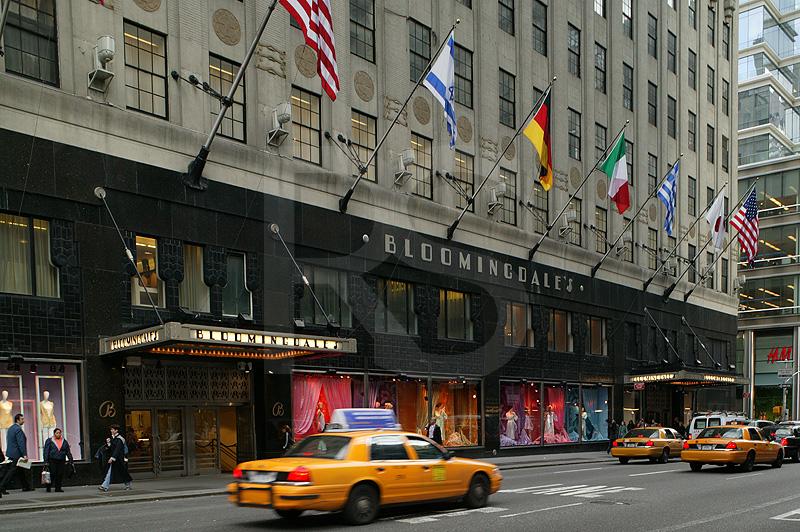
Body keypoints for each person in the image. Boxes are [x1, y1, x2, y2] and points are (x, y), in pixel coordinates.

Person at [0, 414, 32, 493]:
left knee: (21, 470)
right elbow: (21, 443)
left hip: (11, 453)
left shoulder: (11, 428)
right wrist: (24, 454)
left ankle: (26, 486)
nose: (24, 420)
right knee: (11, 471)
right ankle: (2, 486)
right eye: (22, 419)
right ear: (18, 420)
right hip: (17, 454)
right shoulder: (18, 429)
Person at [99, 425, 132, 492]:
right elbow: (112, 448)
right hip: (116, 458)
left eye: (112, 429)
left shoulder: (120, 439)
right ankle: (104, 486)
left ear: (116, 430)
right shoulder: (114, 438)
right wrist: (109, 443)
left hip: (119, 459)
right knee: (111, 472)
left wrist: (112, 458)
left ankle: (127, 484)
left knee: (122, 472)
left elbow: (117, 449)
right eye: (111, 429)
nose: (111, 430)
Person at [43, 428, 73, 493]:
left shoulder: (64, 441)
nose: (58, 434)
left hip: (61, 460)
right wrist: (46, 461)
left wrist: (70, 459)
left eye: (59, 433)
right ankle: (48, 487)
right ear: (54, 434)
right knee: (52, 474)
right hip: (52, 460)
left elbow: (67, 451)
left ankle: (58, 488)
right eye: (57, 433)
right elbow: (46, 451)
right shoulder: (49, 441)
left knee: (60, 474)